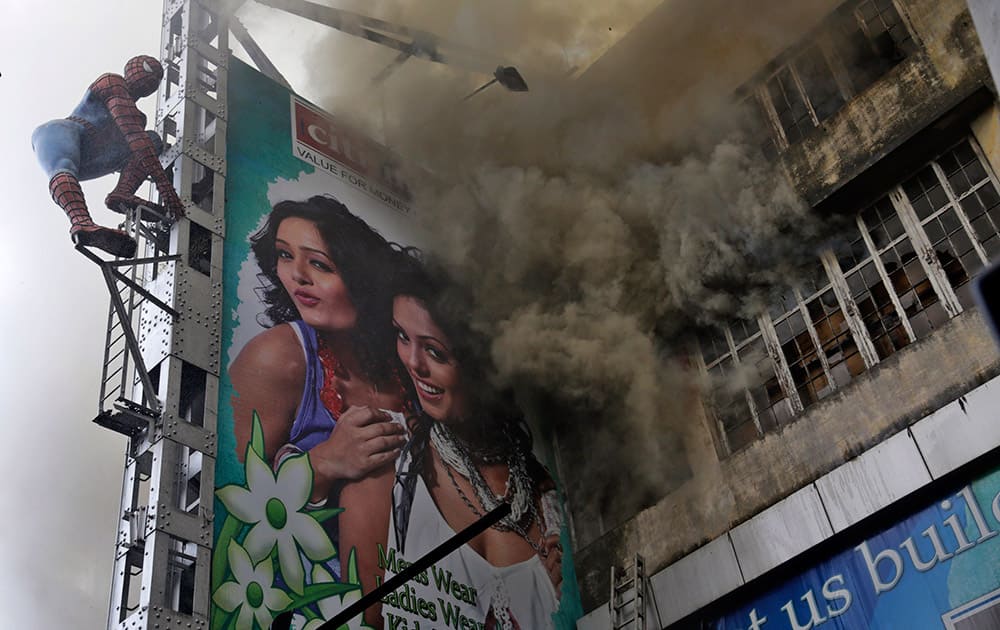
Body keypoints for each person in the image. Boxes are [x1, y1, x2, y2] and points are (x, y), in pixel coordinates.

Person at [338, 252, 564, 629]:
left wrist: (563, 599)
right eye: (401, 336)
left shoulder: (549, 495)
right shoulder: (383, 475)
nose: (412, 362)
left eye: (434, 350)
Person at [229, 196, 408, 528]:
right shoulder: (276, 359)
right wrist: (325, 462)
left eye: (320, 264)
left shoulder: (413, 359)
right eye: (284, 255)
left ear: (364, 280)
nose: (297, 275)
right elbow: (232, 501)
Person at [31, 55, 184, 258]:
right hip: (64, 132)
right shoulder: (112, 83)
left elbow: (142, 144)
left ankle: (122, 193)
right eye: (149, 69)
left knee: (152, 139)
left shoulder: (139, 118)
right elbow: (135, 138)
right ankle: (82, 222)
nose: (152, 79)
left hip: (96, 155)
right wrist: (167, 191)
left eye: (157, 77)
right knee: (63, 165)